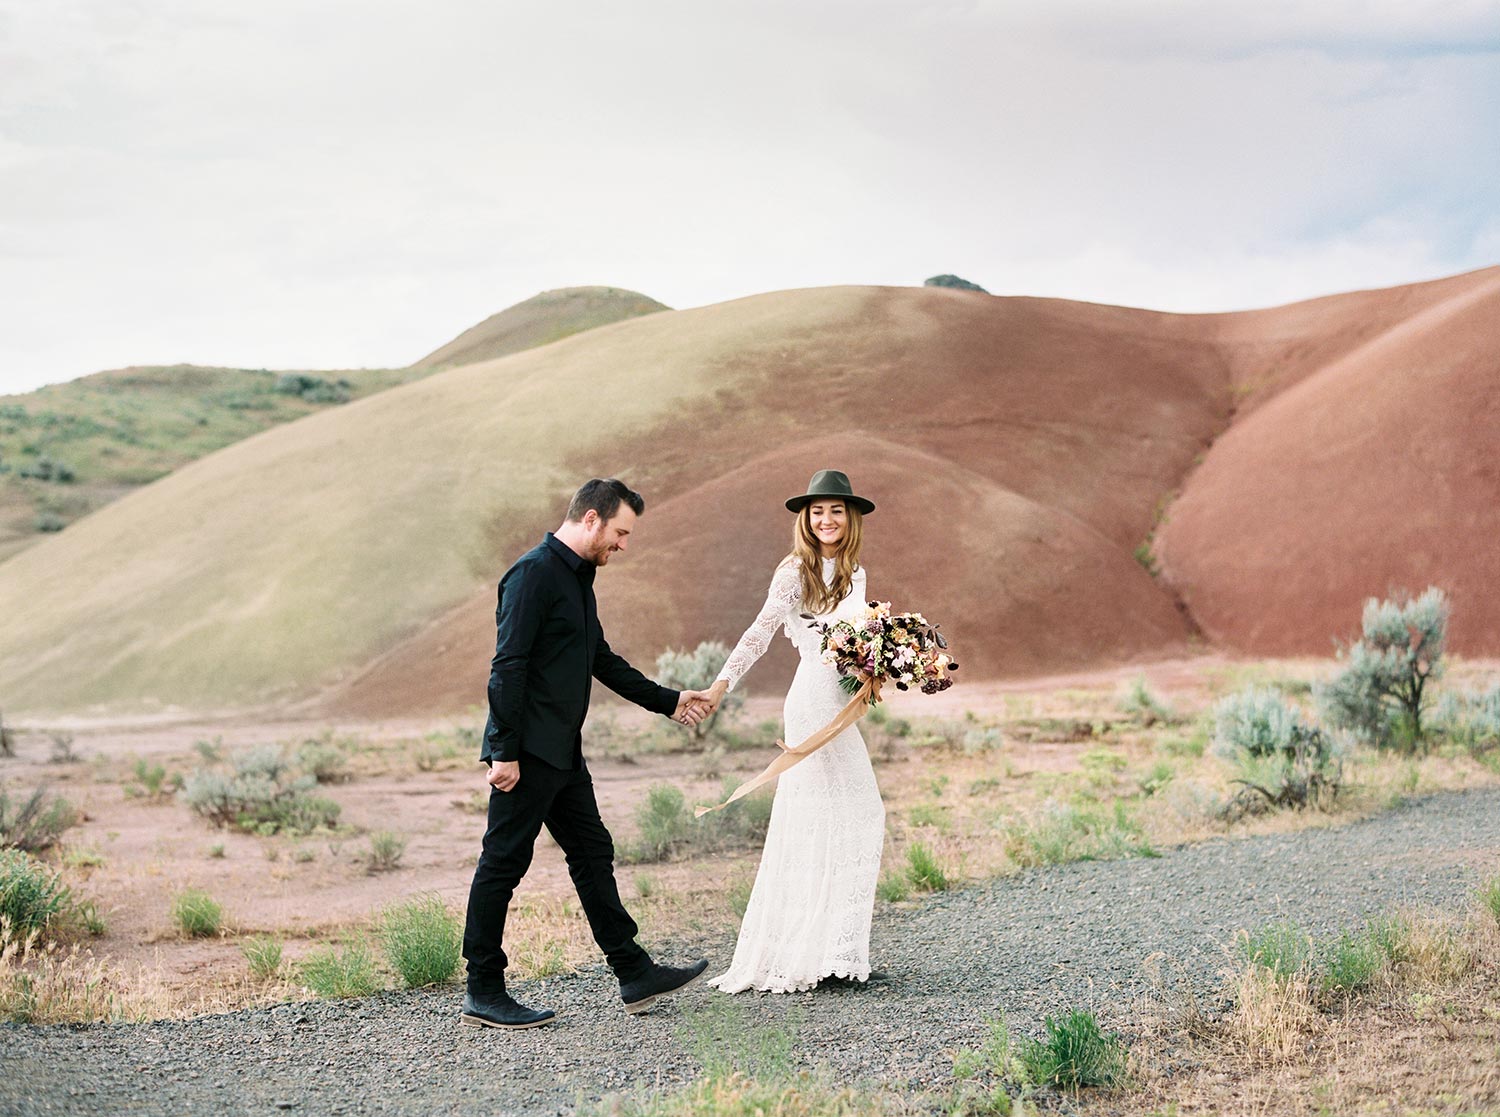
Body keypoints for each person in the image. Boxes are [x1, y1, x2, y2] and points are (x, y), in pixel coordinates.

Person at [460, 478, 714, 1029]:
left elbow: (601, 658)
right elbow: (508, 667)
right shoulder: (532, 574)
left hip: (562, 752)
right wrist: (503, 751)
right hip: (525, 753)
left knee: (593, 853)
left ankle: (633, 971)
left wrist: (670, 702)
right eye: (621, 531)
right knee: (503, 863)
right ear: (592, 519)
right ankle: (483, 988)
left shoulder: (579, 579)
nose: (623, 544)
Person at [698, 469, 886, 993]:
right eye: (818, 511)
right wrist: (720, 686)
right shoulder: (793, 571)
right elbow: (761, 631)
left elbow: (857, 638)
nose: (827, 519)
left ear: (850, 519)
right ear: (806, 518)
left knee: (854, 814)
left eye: (836, 510)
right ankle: (801, 951)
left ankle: (835, 949)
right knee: (814, 815)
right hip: (809, 701)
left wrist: (875, 670)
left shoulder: (856, 573)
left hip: (840, 701)